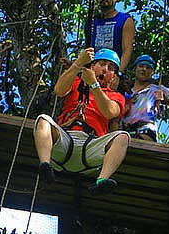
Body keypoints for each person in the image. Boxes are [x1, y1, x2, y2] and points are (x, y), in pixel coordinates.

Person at [33, 47, 130, 195]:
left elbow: (110, 112)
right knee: (43, 120)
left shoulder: (116, 96)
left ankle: (101, 180)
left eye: (110, 68)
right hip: (65, 140)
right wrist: (78, 63)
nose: (105, 69)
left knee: (123, 137)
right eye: (102, 64)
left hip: (91, 145)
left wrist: (94, 85)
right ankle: (45, 165)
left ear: (113, 77)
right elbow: (59, 90)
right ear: (92, 66)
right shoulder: (76, 82)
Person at [121, 54, 169, 142]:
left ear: (152, 72)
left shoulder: (157, 89)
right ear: (135, 69)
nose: (144, 69)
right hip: (124, 130)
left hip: (145, 129)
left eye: (148, 68)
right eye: (141, 66)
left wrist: (166, 100)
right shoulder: (126, 92)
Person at [84, 0, 135, 80]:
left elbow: (127, 50)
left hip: (113, 72)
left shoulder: (125, 20)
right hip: (93, 73)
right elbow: (87, 49)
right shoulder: (91, 22)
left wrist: (118, 74)